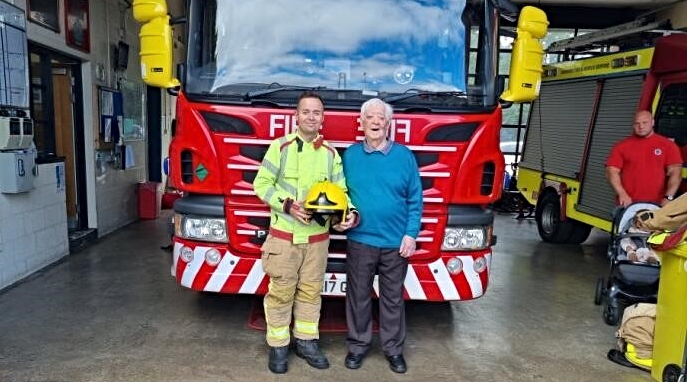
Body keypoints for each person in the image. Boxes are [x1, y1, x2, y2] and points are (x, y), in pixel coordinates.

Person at [253, 91, 357, 374]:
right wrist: (287, 205)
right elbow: (261, 184)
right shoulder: (280, 147)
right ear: (296, 116)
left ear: (323, 118)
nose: (311, 117)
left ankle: (307, 341)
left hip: (317, 240)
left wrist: (349, 214)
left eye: (317, 113)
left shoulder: (331, 154)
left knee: (311, 292)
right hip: (284, 238)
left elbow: (341, 192)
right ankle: (278, 346)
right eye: (306, 112)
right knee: (281, 292)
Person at [340, 98, 423, 374]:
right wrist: (343, 218)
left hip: (395, 244)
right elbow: (341, 195)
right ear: (361, 122)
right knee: (358, 297)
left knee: (392, 299)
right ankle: (357, 347)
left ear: (389, 124)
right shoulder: (350, 156)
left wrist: (411, 235)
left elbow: (415, 199)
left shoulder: (404, 156)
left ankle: (393, 350)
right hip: (361, 240)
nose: (376, 122)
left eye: (381, 118)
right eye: (370, 117)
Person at [606, 110, 682, 207]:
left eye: (645, 123)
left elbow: (676, 172)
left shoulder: (668, 146)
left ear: (653, 122)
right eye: (637, 123)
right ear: (633, 125)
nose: (641, 126)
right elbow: (611, 171)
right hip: (627, 203)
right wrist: (622, 194)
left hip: (657, 204)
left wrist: (668, 198)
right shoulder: (621, 146)